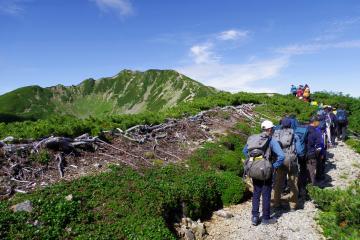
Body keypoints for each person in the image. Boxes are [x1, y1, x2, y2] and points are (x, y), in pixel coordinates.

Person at [243, 120, 285, 226]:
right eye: (273, 129)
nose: (273, 130)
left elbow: (245, 151)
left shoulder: (253, 138)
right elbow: (281, 156)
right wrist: (273, 166)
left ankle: (255, 217)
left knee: (256, 193)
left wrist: (254, 162)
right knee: (266, 194)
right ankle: (266, 218)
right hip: (266, 170)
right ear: (270, 129)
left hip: (253, 169)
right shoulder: (271, 140)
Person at [272, 118, 301, 211]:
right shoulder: (294, 135)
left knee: (278, 182)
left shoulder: (276, 134)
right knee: (293, 182)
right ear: (291, 125)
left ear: (281, 125)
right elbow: (300, 150)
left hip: (280, 160)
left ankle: (276, 203)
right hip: (291, 161)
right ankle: (293, 205)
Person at [306, 116, 323, 185]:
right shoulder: (317, 132)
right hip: (311, 154)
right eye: (318, 121)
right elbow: (319, 147)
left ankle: (303, 188)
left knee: (303, 171)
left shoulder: (304, 129)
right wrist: (319, 155)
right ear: (314, 122)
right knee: (311, 171)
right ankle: (311, 188)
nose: (319, 123)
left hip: (302, 153)